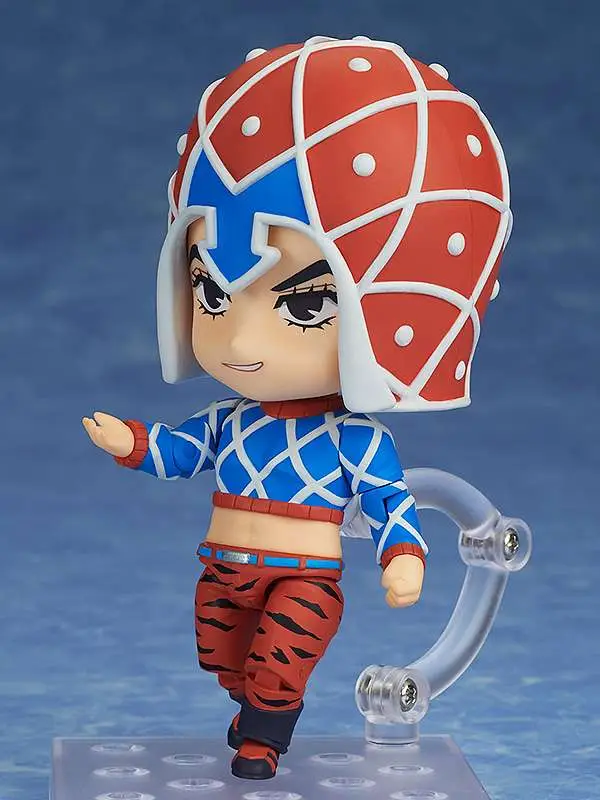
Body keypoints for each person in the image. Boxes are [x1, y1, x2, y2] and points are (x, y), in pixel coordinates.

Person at [82, 35, 511, 780]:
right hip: (223, 564)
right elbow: (182, 452)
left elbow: (391, 502)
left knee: (280, 661)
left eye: (305, 304)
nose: (240, 340)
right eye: (212, 293)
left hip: (304, 573)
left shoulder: (354, 439)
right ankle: (252, 706)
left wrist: (403, 557)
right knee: (219, 655)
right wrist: (134, 443)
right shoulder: (230, 419)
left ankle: (262, 740)